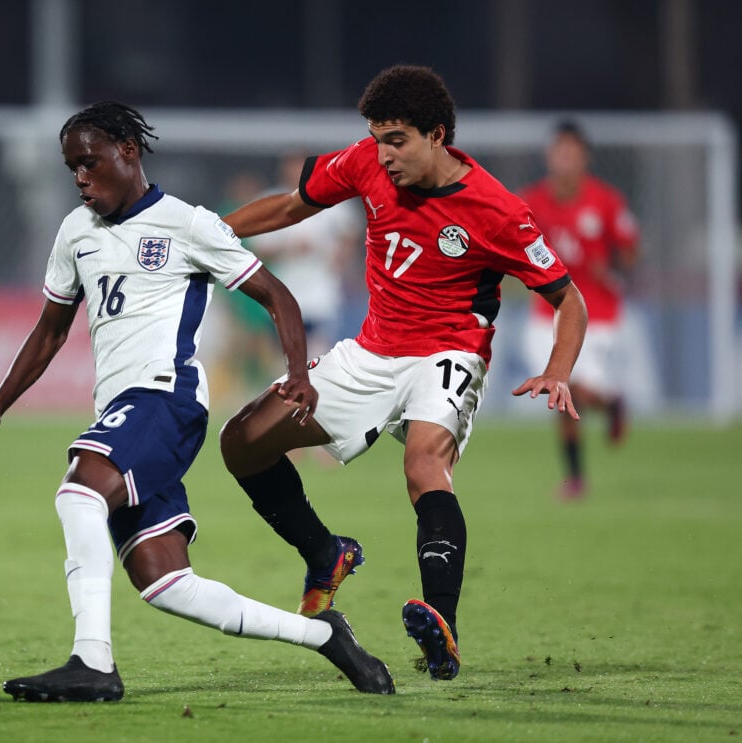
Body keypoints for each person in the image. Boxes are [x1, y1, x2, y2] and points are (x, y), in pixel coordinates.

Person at [0, 101, 394, 702]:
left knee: (80, 492)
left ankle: (92, 662)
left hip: (165, 397)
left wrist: (298, 374)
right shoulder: (76, 231)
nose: (80, 177)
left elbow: (277, 295)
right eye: (71, 167)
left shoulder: (189, 224)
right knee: (166, 583)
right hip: (123, 409)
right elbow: (50, 331)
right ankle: (324, 636)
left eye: (89, 162)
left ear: (128, 151)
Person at [218, 65, 588, 682]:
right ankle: (324, 553)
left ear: (437, 135)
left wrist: (558, 369)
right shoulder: (367, 161)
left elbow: (568, 299)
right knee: (242, 441)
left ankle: (442, 627)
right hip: (370, 353)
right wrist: (207, 233)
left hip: (449, 352)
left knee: (423, 467)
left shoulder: (498, 210)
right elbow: (289, 206)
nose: (384, 154)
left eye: (397, 141)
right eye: (377, 139)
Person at [520, 121, 640, 500]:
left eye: (571, 153)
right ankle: (575, 477)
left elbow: (631, 251)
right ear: (549, 156)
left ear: (584, 157)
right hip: (547, 313)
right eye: (558, 152)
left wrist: (612, 269)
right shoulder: (531, 202)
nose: (564, 160)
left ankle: (610, 403)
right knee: (560, 390)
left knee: (571, 389)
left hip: (597, 313)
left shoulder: (607, 201)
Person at [247, 152, 363, 356]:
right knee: (285, 356)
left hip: (321, 293)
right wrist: (290, 248)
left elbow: (351, 231)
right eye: (292, 168)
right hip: (284, 288)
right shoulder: (272, 200)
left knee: (318, 353)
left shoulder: (329, 197)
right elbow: (258, 247)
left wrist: (340, 259)